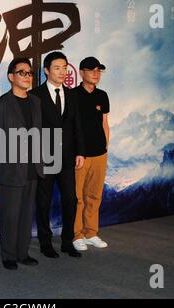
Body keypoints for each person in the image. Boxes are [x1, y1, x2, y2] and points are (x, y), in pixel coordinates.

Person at [0, 58, 44, 270]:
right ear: (11, 77)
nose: (27, 76)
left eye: (29, 73)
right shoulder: (2, 104)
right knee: (10, 214)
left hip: (33, 167)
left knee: (26, 214)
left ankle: (23, 252)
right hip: (10, 168)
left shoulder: (36, 102)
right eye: (22, 72)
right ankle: (9, 255)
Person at [30, 52, 85, 258]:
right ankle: (45, 242)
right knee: (43, 201)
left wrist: (80, 151)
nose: (62, 72)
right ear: (46, 70)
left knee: (71, 199)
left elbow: (77, 125)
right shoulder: (35, 95)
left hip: (68, 157)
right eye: (57, 68)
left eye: (64, 68)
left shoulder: (72, 94)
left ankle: (67, 241)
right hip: (45, 157)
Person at [72, 57, 110, 251]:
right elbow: (69, 127)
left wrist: (106, 148)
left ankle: (91, 232)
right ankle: (76, 234)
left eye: (98, 70)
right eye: (91, 70)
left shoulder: (102, 96)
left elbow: (104, 123)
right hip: (80, 155)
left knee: (94, 196)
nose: (95, 73)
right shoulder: (73, 95)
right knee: (77, 197)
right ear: (81, 72)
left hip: (99, 154)